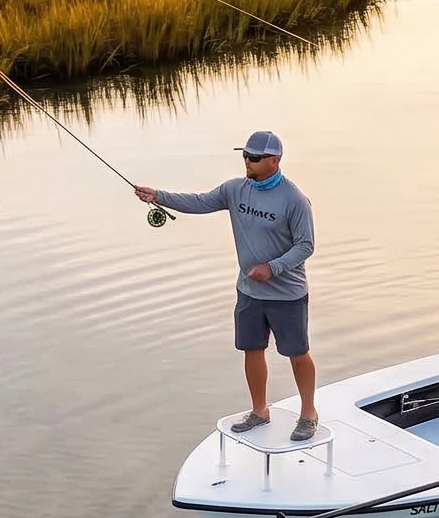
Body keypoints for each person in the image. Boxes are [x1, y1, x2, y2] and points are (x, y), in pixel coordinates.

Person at [136, 130, 318, 441]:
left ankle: (308, 414)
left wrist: (272, 268)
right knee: (252, 349)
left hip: (287, 295)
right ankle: (260, 411)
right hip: (248, 292)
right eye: (245, 155)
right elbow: (199, 202)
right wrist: (159, 196)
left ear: (275, 161)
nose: (248, 161)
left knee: (297, 353)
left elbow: (306, 245)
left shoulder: (294, 200)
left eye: (255, 157)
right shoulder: (234, 190)